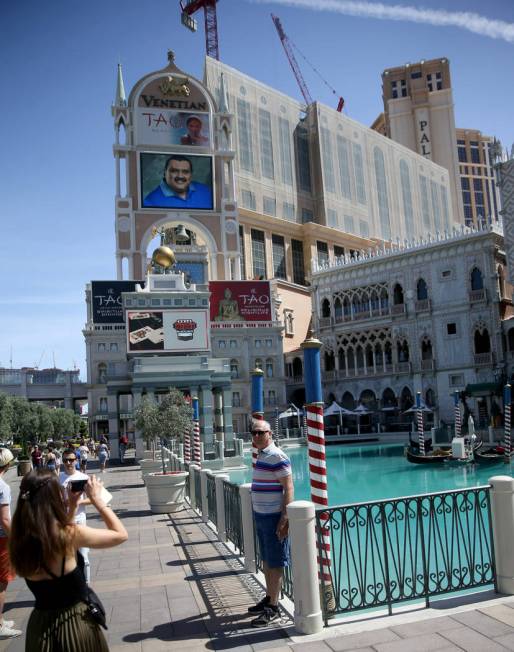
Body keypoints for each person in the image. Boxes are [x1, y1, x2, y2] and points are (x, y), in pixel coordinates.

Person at [9, 469, 127, 651]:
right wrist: (98, 501)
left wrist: (72, 507)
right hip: (74, 624)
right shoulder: (69, 535)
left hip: (40, 627)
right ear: (53, 497)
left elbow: (57, 542)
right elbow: (120, 535)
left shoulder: (19, 539)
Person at [247, 419, 294, 627]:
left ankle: (273, 608)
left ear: (270, 434)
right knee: (266, 559)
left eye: (261, 432)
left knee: (275, 562)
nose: (257, 436)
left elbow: (289, 487)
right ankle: (269, 597)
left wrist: (285, 518)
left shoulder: (277, 455)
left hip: (274, 516)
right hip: (261, 515)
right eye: (254, 433)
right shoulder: (262, 455)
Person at [59, 449, 91, 583]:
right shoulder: (58, 477)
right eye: (65, 460)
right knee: (66, 557)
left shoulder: (83, 477)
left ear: (76, 461)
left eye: (71, 460)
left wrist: (76, 502)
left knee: (83, 555)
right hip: (63, 522)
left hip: (79, 521)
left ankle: (87, 586)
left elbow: (93, 499)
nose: (68, 463)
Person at [0, 449, 21, 638]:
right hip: (1, 540)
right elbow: (5, 520)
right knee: (2, 582)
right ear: (8, 465)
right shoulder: (3, 487)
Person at [143, 155, 212, 209]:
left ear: (191, 175)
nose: (180, 176)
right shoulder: (151, 202)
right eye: (174, 171)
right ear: (164, 173)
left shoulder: (207, 191)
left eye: (185, 172)